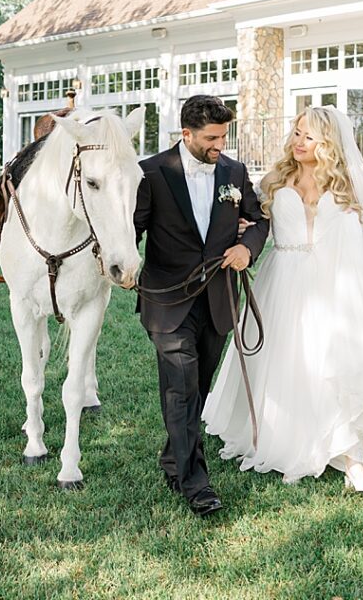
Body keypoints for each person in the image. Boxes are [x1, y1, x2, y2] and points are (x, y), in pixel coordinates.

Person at [203, 106, 363, 492]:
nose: (299, 142)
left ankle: (353, 462)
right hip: (283, 281)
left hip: (334, 283)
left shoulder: (346, 187)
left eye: (309, 136)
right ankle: (286, 437)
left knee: (339, 366)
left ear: (327, 143)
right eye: (297, 133)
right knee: (285, 363)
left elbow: (360, 244)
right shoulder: (276, 180)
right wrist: (246, 227)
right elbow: (257, 221)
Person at [133, 95, 269, 517]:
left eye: (223, 136)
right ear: (186, 134)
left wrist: (247, 247)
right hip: (167, 300)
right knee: (181, 389)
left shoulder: (234, 171)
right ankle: (196, 485)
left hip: (217, 299)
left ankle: (174, 459)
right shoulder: (151, 173)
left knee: (198, 387)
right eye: (211, 137)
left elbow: (259, 219)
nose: (219, 145)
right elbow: (130, 228)